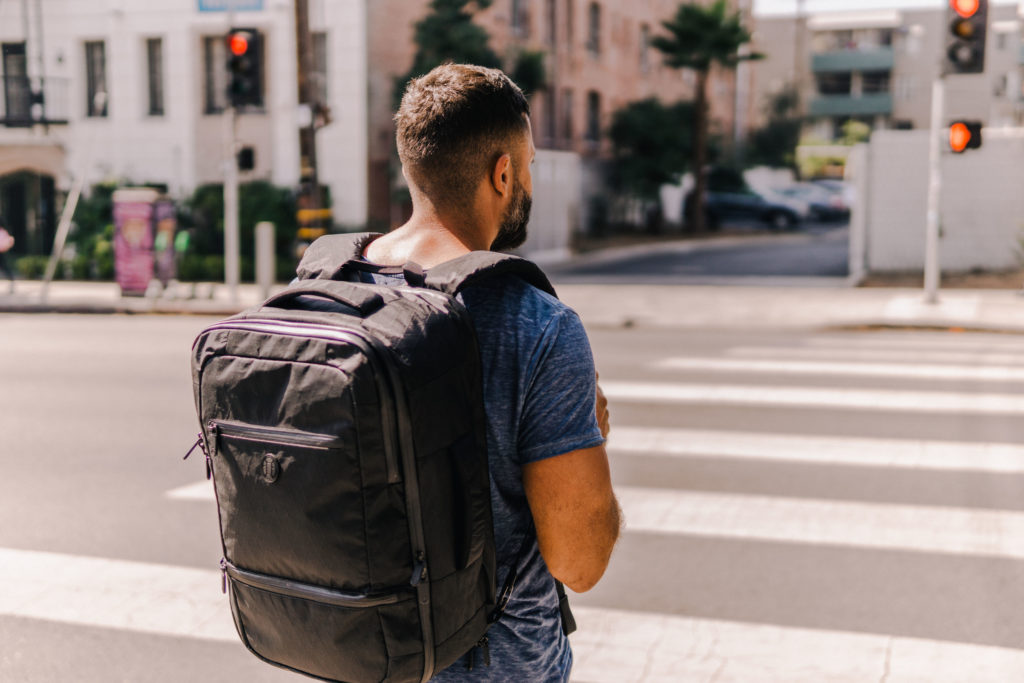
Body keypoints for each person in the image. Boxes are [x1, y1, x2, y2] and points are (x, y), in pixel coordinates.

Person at [356, 64, 622, 681]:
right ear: (503, 172)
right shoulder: (536, 323)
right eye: (526, 164)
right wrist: (594, 432)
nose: (528, 178)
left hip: (351, 651)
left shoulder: (327, 288)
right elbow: (579, 563)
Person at [0, 218, 15, 293]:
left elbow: (10, 241)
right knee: (6, 269)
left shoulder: (3, 232)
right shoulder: (4, 232)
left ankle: (11, 282)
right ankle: (11, 282)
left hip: (2, 253)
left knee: (6, 269)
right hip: (3, 252)